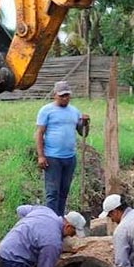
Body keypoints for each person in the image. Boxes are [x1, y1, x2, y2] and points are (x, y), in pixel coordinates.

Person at [35, 80, 90, 216]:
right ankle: (50, 221)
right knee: (52, 192)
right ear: (55, 95)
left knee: (64, 191)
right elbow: (39, 133)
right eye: (62, 95)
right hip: (52, 158)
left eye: (67, 95)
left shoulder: (74, 111)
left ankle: (59, 219)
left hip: (69, 158)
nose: (65, 98)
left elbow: (83, 133)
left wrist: (85, 123)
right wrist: (41, 156)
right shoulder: (46, 110)